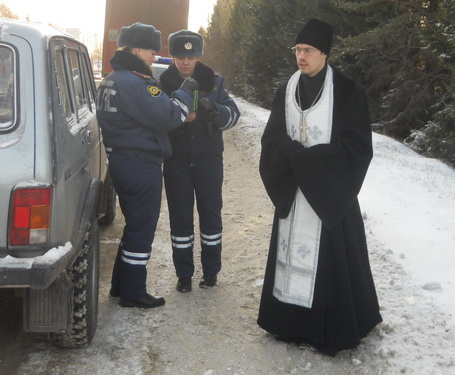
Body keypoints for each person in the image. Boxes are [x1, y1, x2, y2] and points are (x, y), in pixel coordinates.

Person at [257, 18, 382, 355]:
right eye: (298, 49)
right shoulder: (286, 89)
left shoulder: (349, 92)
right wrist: (287, 153)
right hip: (294, 194)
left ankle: (330, 328)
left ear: (324, 53)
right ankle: (288, 322)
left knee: (334, 264)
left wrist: (311, 162)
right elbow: (271, 139)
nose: (301, 56)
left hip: (329, 196)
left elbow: (358, 148)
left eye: (308, 50)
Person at [96, 22, 199, 308]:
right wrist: (184, 91)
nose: (155, 58)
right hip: (141, 164)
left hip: (122, 161)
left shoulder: (112, 79)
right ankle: (133, 292)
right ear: (138, 49)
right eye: (152, 52)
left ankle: (121, 285)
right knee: (142, 227)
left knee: (134, 225)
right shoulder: (140, 83)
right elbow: (167, 114)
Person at [159, 30, 240, 293]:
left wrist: (214, 111)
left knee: (210, 214)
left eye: (191, 56)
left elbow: (234, 115)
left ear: (198, 56)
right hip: (177, 162)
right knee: (180, 218)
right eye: (180, 56)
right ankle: (184, 274)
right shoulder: (162, 83)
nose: (185, 62)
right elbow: (156, 120)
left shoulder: (214, 81)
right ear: (172, 56)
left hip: (208, 160)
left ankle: (211, 271)